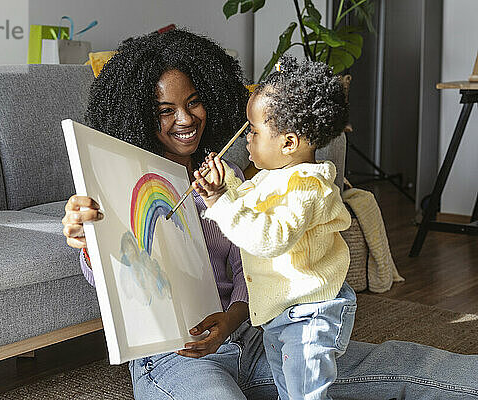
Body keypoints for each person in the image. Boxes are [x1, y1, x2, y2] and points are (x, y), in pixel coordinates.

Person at [62, 28, 478, 400]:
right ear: (138, 115)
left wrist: (232, 319)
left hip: (259, 336)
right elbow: (126, 278)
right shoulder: (125, 181)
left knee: (412, 370)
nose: (185, 119)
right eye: (165, 110)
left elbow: (259, 265)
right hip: (177, 354)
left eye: (193, 102)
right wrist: (90, 240)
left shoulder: (243, 178)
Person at [193, 56, 356, 399]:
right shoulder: (269, 178)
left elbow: (271, 237)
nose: (247, 139)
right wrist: (221, 189)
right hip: (279, 310)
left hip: (310, 313)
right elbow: (247, 205)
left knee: (305, 392)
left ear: (288, 144)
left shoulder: (309, 187)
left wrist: (220, 203)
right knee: (288, 389)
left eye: (253, 131)